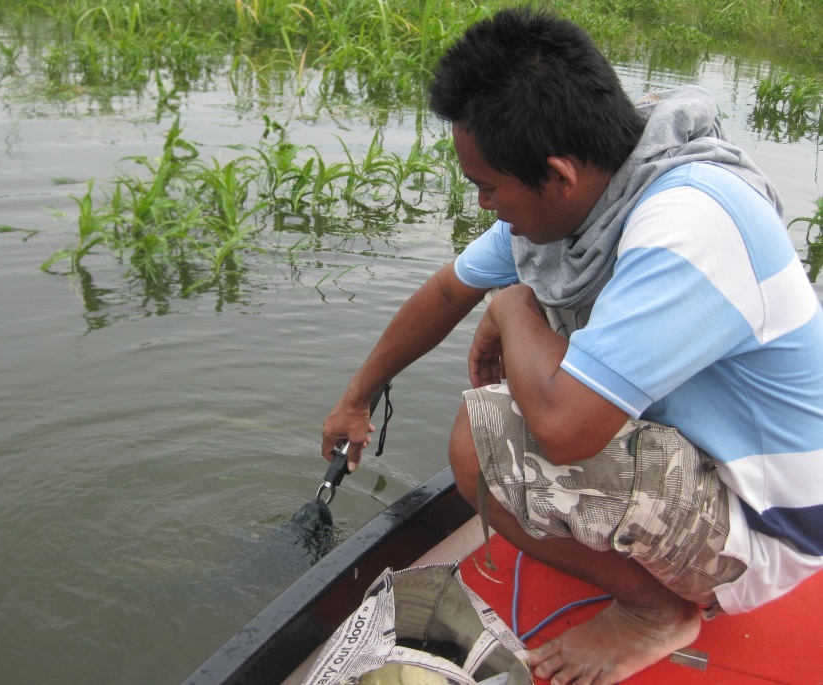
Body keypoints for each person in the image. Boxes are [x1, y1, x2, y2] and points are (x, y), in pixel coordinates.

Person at [321, 6, 823, 684]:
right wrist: (356, 399)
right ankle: (658, 571)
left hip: (769, 524)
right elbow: (446, 292)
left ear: (557, 175)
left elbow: (564, 430)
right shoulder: (594, 183)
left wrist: (515, 301)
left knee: (487, 440)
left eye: (488, 188)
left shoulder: (689, 221)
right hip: (706, 459)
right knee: (498, 421)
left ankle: (656, 611)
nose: (484, 207)